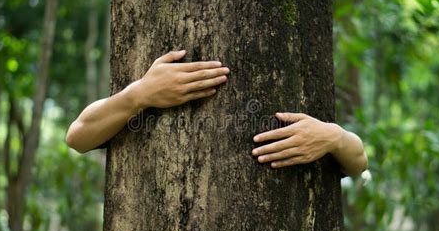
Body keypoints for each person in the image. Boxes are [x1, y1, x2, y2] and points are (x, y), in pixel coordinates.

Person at [65, 50, 368, 177]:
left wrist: (335, 136)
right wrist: (139, 94)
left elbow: (358, 164)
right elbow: (78, 136)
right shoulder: (141, 101)